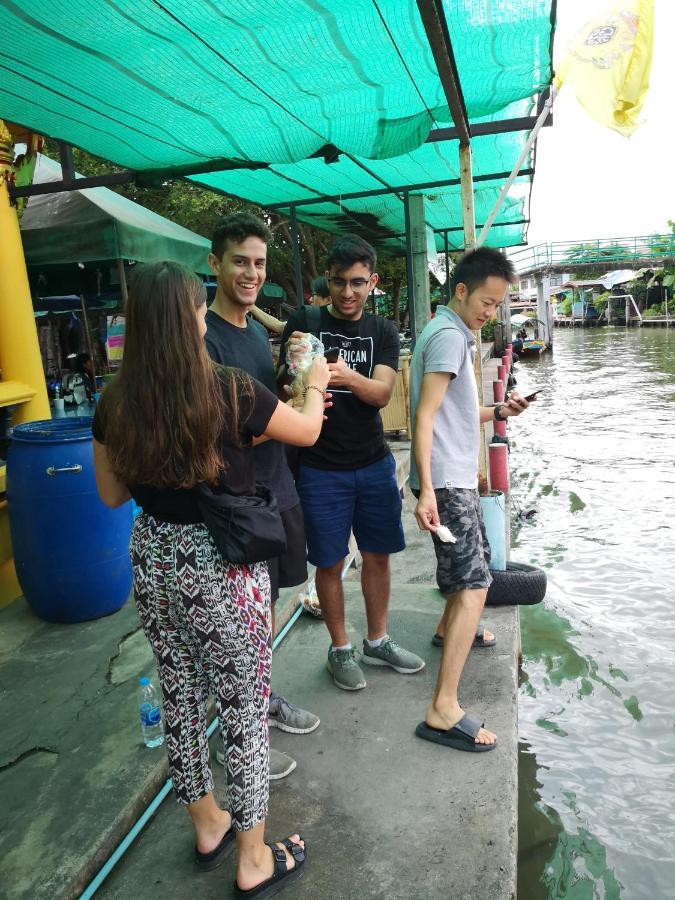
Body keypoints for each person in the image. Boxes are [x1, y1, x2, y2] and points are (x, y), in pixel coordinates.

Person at [93, 260, 329, 894]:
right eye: (198, 308)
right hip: (221, 561)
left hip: (154, 554)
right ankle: (253, 859)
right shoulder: (225, 387)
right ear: (190, 317)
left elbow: (112, 494)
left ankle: (207, 823)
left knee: (180, 692)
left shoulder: (113, 401)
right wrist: (313, 379)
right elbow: (305, 431)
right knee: (245, 707)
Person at [279, 234, 425, 691]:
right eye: (339, 282)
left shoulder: (382, 331)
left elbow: (382, 393)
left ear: (373, 282)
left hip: (373, 462)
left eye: (358, 283)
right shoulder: (304, 322)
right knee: (329, 560)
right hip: (319, 467)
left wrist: (338, 374)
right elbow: (282, 384)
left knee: (378, 555)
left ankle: (377, 640)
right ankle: (340, 648)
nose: (347, 293)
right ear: (327, 280)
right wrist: (295, 374)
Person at [205, 213, 322, 781]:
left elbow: (265, 402)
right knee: (238, 622)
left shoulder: (255, 331)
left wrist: (291, 380)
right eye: (239, 262)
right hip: (235, 502)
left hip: (276, 486)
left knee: (268, 607)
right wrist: (311, 396)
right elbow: (236, 425)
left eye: (258, 263)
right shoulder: (202, 338)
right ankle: (236, 733)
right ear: (214, 264)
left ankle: (261, 702)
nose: (251, 273)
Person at [409, 247, 531, 753]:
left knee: (471, 565)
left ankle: (447, 629)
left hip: (455, 476)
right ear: (461, 291)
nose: (491, 313)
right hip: (446, 480)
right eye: (487, 301)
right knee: (476, 583)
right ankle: (442, 709)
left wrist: (499, 409)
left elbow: (456, 410)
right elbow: (425, 415)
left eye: (499, 305)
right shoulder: (447, 339)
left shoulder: (453, 334)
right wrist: (428, 488)